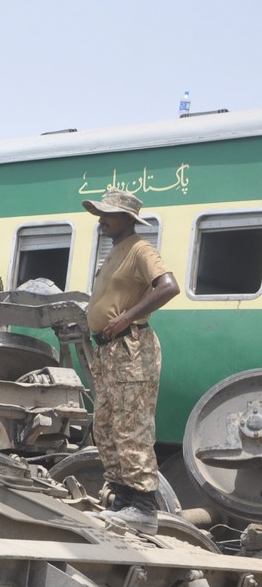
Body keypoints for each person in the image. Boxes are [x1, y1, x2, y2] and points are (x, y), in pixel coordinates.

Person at [84, 189, 179, 534]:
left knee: (131, 426)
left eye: (108, 214)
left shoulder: (140, 248)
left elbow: (168, 286)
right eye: (101, 213)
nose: (101, 219)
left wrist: (126, 318)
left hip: (130, 349)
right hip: (109, 352)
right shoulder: (115, 252)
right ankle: (123, 502)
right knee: (106, 427)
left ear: (127, 219)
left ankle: (143, 508)